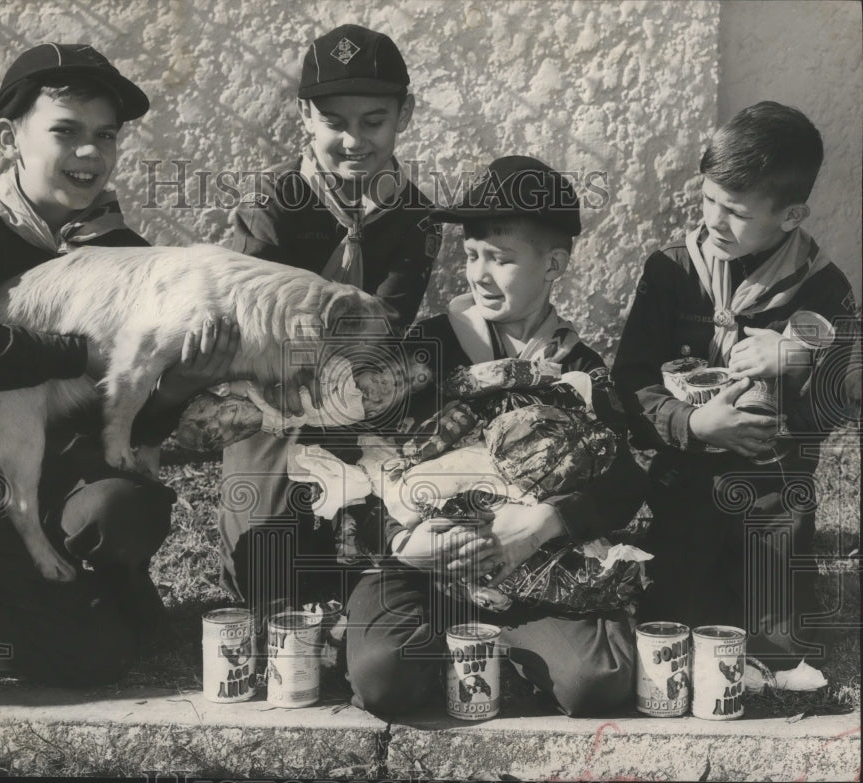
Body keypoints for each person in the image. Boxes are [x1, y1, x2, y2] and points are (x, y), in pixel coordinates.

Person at [0, 43, 239, 685]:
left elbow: (135, 422)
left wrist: (178, 385)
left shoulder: (122, 251)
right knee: (79, 656)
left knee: (124, 513)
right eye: (65, 133)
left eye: (105, 135)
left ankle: (95, 586)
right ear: (12, 136)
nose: (89, 154)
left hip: (75, 472)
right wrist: (75, 351)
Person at [344, 156, 646, 717]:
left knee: (598, 683)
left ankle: (489, 650)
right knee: (381, 678)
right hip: (428, 565)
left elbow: (624, 480)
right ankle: (473, 652)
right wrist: (403, 542)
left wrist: (549, 521)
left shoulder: (578, 368)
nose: (479, 274)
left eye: (501, 260)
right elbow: (366, 464)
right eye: (472, 255)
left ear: (554, 264)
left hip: (533, 569)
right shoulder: (425, 351)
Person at [611, 101, 858, 664]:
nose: (715, 222)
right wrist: (694, 423)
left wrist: (798, 360)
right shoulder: (673, 272)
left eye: (736, 212)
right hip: (685, 484)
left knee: (780, 651)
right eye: (708, 200)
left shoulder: (822, 289)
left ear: (792, 216)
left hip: (774, 500)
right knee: (669, 636)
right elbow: (631, 379)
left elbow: (845, 396)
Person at [220, 24, 440, 616]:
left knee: (372, 549)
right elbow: (248, 324)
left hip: (361, 391)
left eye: (373, 120)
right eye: (334, 121)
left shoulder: (416, 216)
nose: (353, 140)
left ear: (405, 114)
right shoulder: (274, 203)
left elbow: (386, 326)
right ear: (304, 117)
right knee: (265, 575)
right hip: (270, 398)